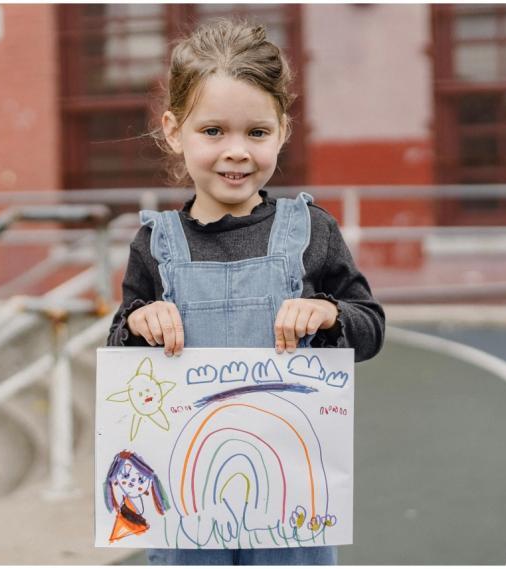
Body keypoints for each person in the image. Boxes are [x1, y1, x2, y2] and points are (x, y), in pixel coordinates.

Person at [107, 18, 385, 566]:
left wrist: (329, 315)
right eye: (213, 132)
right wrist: (140, 324)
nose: (236, 152)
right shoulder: (153, 244)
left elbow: (370, 329)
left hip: (292, 500)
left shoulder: (314, 230)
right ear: (173, 130)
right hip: (186, 503)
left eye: (256, 133)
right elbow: (119, 350)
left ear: (283, 131)